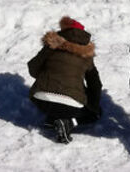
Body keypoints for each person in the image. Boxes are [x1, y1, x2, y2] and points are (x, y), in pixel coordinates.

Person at [28, 16, 102, 144]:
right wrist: (93, 108)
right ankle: (69, 123)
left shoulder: (51, 45)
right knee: (95, 113)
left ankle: (53, 120)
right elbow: (95, 85)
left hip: (41, 99)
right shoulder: (86, 54)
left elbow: (33, 69)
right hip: (70, 105)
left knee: (57, 105)